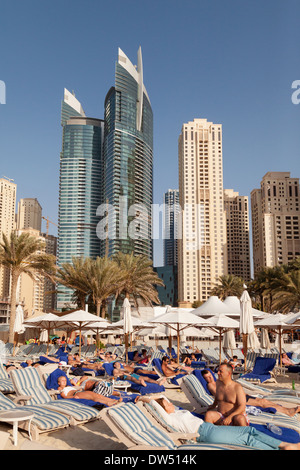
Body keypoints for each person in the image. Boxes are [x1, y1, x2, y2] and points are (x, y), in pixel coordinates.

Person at [135, 395, 300, 450]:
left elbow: (163, 401)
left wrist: (164, 401)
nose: (170, 403)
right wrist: (143, 398)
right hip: (206, 433)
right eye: (168, 404)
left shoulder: (177, 411)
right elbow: (155, 403)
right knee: (248, 439)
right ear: (163, 409)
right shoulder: (169, 417)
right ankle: (284, 447)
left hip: (209, 428)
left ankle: (284, 446)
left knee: (250, 433)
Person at [201, 369, 300, 418]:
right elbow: (219, 396)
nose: (209, 378)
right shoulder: (211, 385)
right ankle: (288, 412)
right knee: (262, 403)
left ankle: (288, 409)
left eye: (210, 376)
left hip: (240, 396)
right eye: (207, 378)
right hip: (236, 400)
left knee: (264, 400)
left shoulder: (218, 381)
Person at [57, 375, 121, 406]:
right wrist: (73, 397)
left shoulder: (68, 386)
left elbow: (74, 388)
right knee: (92, 397)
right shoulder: (60, 388)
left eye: (65, 380)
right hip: (76, 394)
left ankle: (114, 401)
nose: (64, 382)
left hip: (80, 392)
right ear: (59, 383)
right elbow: (64, 396)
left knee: (97, 395)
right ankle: (107, 403)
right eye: (62, 381)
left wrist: (78, 388)